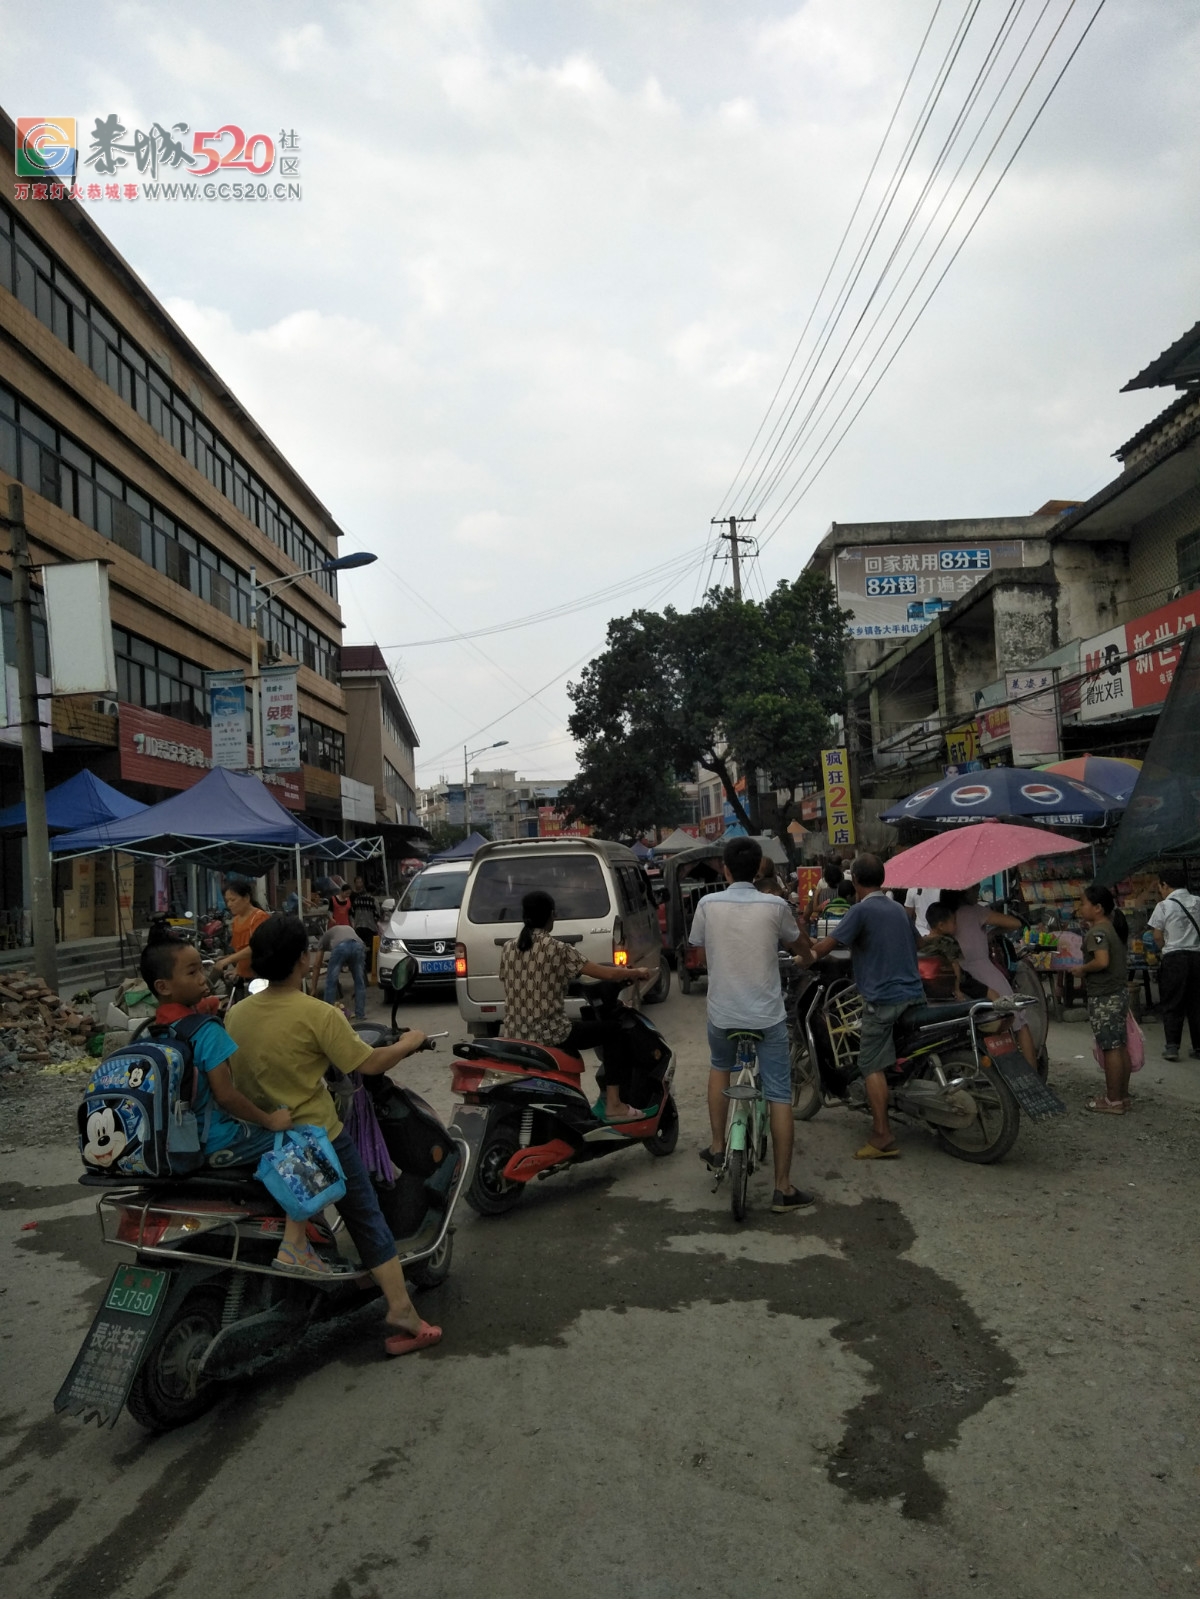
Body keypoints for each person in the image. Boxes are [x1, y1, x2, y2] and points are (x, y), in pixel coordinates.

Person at [226, 915, 440, 1356]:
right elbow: (370, 1064)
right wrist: (411, 1041)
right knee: (365, 1215)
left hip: (260, 1135)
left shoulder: (236, 1015)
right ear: (303, 960)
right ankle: (401, 1309)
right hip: (316, 1136)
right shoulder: (317, 1013)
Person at [690, 835, 816, 1213]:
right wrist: (807, 954)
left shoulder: (707, 904)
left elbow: (697, 944)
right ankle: (782, 1188)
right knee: (778, 1093)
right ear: (760, 867)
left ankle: (716, 1145)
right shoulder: (776, 905)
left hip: (723, 1014)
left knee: (720, 1067)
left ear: (725, 869)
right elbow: (799, 945)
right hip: (767, 1017)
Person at [806, 853, 923, 1159]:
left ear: (855, 880)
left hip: (884, 1001)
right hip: (914, 994)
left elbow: (828, 945)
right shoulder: (898, 909)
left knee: (870, 1063)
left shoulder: (861, 910)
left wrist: (803, 956)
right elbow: (917, 943)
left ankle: (882, 1134)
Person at [499, 890, 654, 1121]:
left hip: (514, 1033)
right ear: (552, 916)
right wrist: (637, 972)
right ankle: (615, 1105)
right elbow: (603, 973)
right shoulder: (557, 949)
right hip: (549, 1033)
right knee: (615, 1032)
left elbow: (515, 982)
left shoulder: (509, 948)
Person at [941, 886, 1038, 1070]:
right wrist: (992, 932)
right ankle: (1032, 1072)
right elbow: (1015, 923)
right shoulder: (975, 911)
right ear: (963, 892)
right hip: (985, 973)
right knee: (1017, 1019)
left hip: (960, 978)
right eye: (974, 889)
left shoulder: (945, 916)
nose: (977, 892)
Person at [1071, 883, 1131, 1114]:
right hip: (1117, 992)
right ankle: (1121, 1096)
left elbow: (1102, 961)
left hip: (1105, 996)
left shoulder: (1097, 932)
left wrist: (1082, 969)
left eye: (1084, 903)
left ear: (1097, 908)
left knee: (1110, 1046)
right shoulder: (1109, 927)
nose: (1081, 907)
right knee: (1119, 1044)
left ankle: (1112, 1100)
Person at [1146, 866, 1200, 1061]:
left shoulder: (1163, 906)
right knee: (1196, 1004)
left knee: (1172, 1002)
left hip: (1174, 958)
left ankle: (1172, 1047)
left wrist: (1164, 949)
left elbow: (1157, 935)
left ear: (1164, 885)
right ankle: (1198, 1047)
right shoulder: (1198, 901)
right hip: (1196, 958)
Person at [210, 877, 270, 987]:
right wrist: (237, 969)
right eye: (227, 901)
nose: (229, 904)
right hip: (245, 976)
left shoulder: (259, 917)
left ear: (246, 898)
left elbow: (256, 947)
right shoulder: (236, 920)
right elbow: (240, 951)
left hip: (260, 976)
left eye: (233, 900)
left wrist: (228, 960)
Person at [312, 924, 368, 1021]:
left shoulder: (323, 939)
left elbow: (317, 965)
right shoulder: (345, 929)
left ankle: (328, 1016)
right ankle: (360, 1014)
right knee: (359, 982)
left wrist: (313, 988)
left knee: (331, 982)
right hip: (358, 945)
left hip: (341, 947)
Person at [918, 900, 967, 1000]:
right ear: (941, 925)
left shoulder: (922, 942)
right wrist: (957, 989)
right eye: (953, 922)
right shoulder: (947, 942)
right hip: (948, 985)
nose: (956, 925)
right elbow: (955, 965)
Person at [351, 876, 380, 952]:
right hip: (370, 927)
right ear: (373, 892)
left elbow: (352, 912)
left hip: (358, 927)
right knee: (371, 949)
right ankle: (368, 962)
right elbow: (377, 915)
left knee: (359, 948)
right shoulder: (373, 900)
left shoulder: (357, 900)